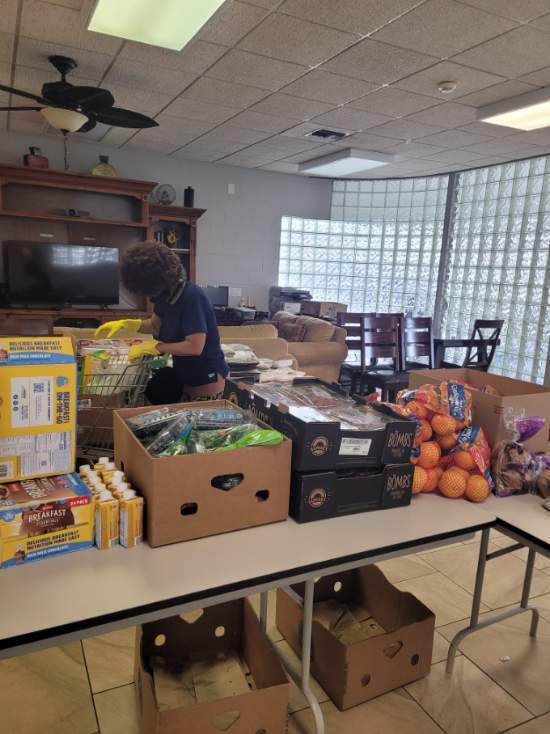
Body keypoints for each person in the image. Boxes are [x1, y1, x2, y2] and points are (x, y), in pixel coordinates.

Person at [95, 242, 229, 404]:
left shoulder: (192, 297)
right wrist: (129, 324)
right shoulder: (163, 296)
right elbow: (154, 325)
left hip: (206, 376)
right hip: (184, 373)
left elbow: (195, 346)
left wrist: (156, 347)